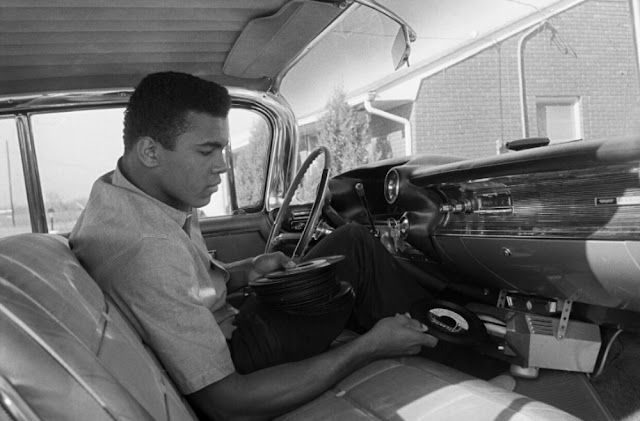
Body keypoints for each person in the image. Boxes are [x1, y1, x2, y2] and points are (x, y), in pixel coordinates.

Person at [70, 71, 437, 421]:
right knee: (357, 246)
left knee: (349, 243)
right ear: (150, 151)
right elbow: (230, 404)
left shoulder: (130, 194)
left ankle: (428, 327)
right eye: (206, 151)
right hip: (236, 359)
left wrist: (246, 272)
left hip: (225, 325)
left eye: (223, 150)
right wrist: (369, 347)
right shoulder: (147, 247)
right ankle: (445, 343)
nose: (223, 167)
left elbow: (185, 287)